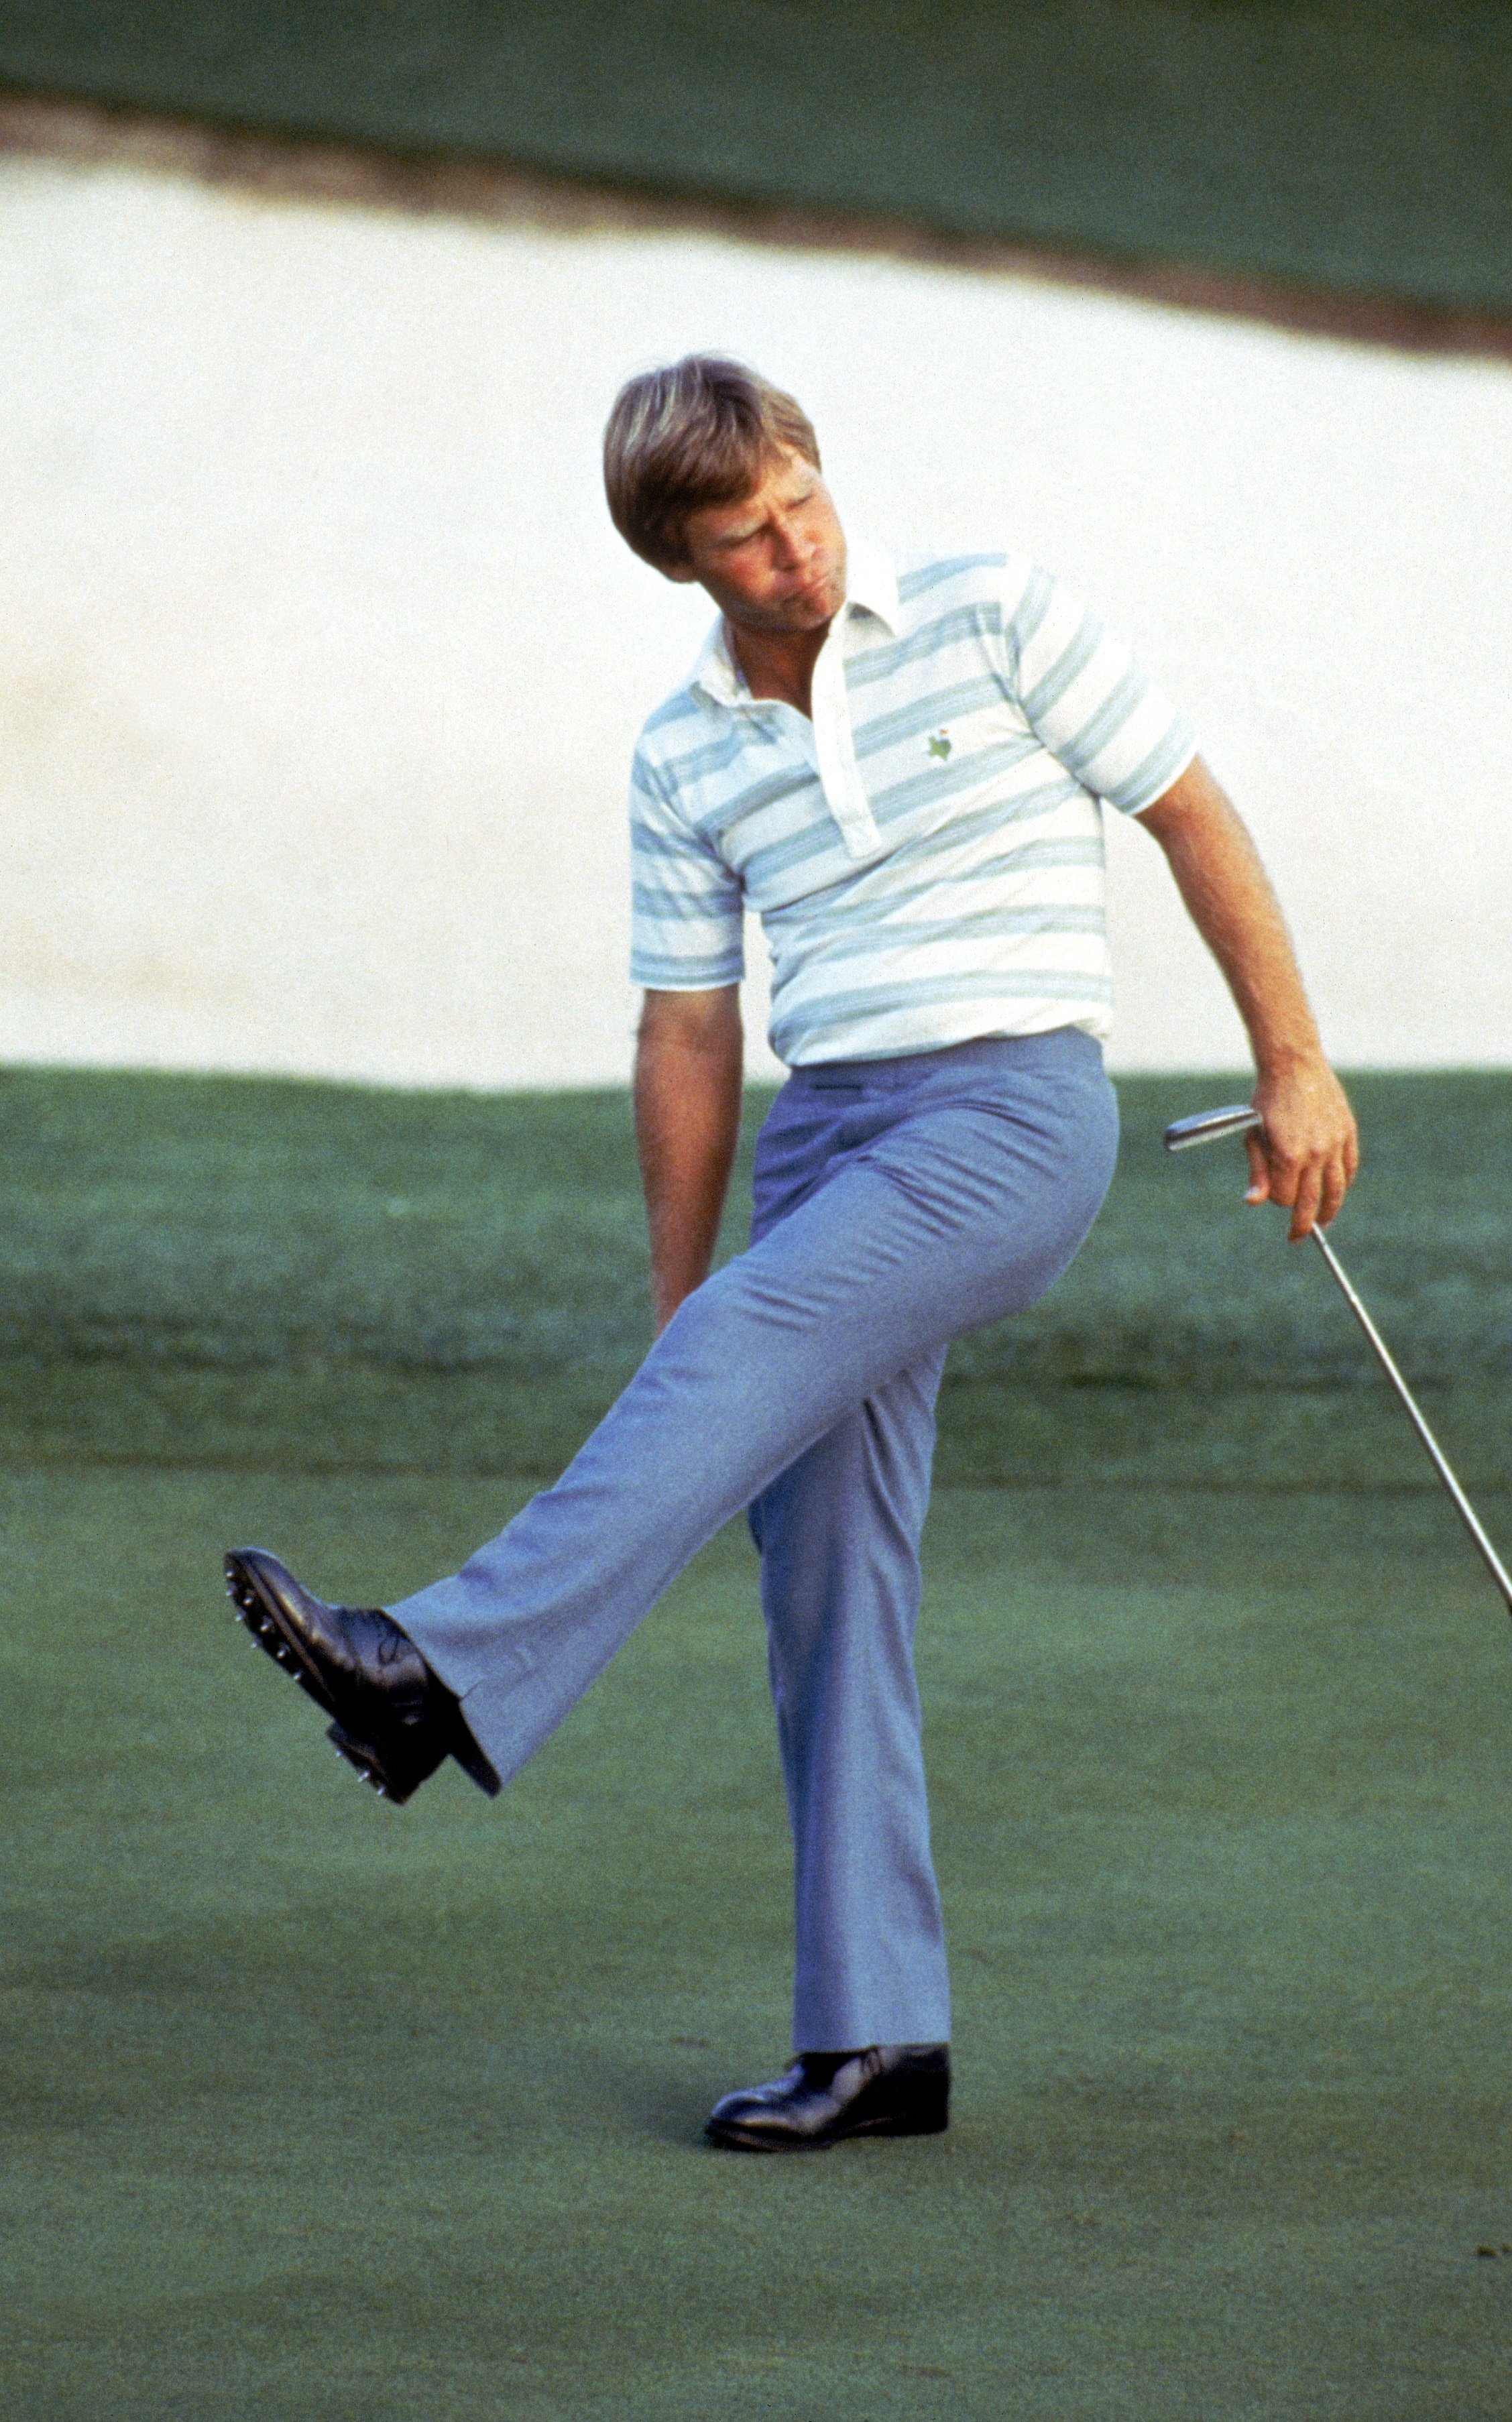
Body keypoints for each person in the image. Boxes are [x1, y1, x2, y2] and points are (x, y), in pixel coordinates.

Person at [223, 355, 1358, 2154]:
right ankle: (880, 2038)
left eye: (801, 506)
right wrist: (694, 1321)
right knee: (824, 1573)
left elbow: (1189, 814)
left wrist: (1293, 1058)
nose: (795, 554)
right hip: (831, 1138)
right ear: (677, 563)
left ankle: (428, 1671)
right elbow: (689, 1029)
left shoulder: (994, 612)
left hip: (1011, 1112)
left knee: (787, 1474)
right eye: (743, 540)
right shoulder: (681, 751)